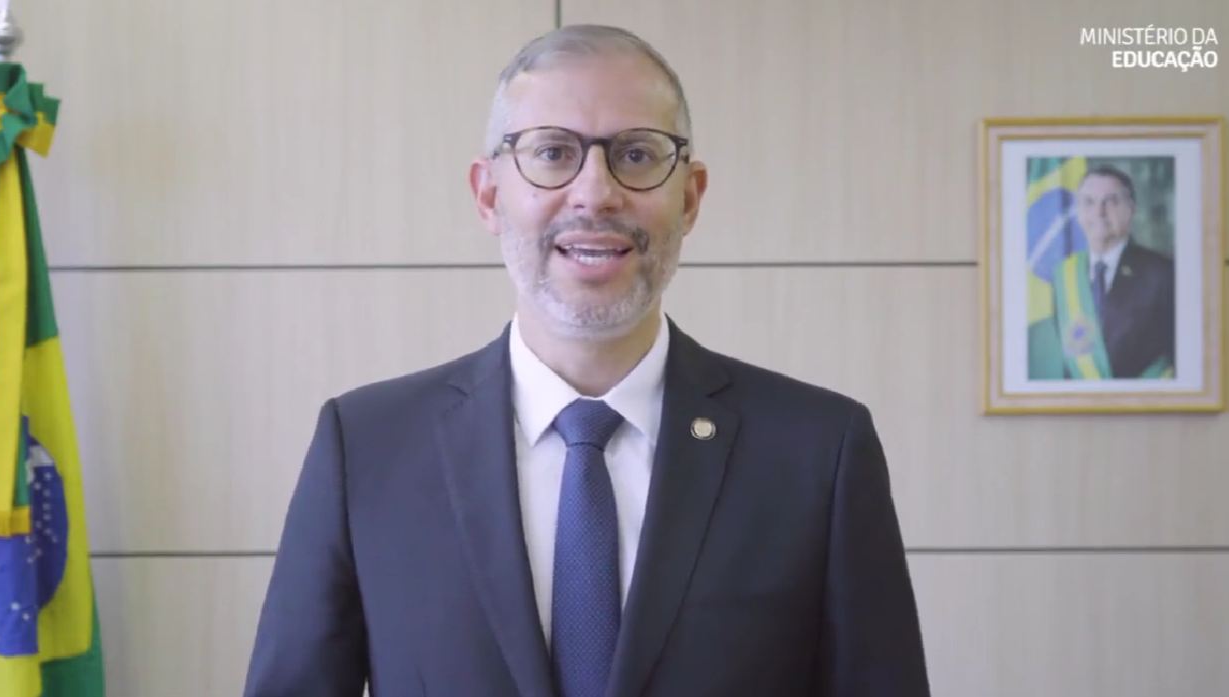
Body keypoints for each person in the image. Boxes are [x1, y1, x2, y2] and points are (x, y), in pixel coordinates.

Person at [245, 24, 929, 697]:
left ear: (689, 198)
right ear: (489, 194)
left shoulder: (817, 451)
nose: (596, 192)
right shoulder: (367, 447)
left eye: (636, 154)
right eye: (552, 153)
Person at [1028, 165, 1175, 380]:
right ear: (1078, 212)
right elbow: (1071, 360)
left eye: (1111, 201)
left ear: (1131, 209)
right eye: (1089, 202)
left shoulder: (1162, 273)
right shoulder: (1063, 275)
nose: (1099, 212)